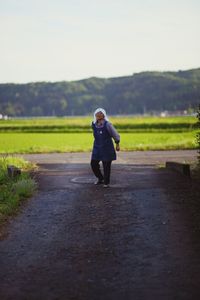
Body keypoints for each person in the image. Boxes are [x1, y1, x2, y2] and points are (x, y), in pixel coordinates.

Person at [91, 108, 120, 188]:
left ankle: (106, 182)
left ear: (104, 115)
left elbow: (115, 134)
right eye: (97, 113)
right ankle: (100, 178)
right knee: (93, 164)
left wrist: (117, 143)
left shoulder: (108, 124)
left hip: (107, 147)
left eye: (100, 113)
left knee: (106, 165)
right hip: (97, 147)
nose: (98, 115)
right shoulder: (93, 124)